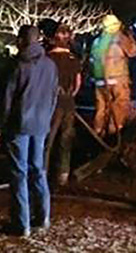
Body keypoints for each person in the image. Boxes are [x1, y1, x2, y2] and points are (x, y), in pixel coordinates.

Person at [0, 25, 58, 236]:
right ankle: (43, 217)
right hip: (41, 125)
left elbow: (6, 100)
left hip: (19, 126)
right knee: (38, 170)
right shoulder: (50, 65)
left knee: (19, 173)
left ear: (22, 40)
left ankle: (21, 223)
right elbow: (53, 96)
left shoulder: (17, 66)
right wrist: (47, 120)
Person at [44, 24, 82, 187]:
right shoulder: (74, 60)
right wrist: (70, 96)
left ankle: (42, 173)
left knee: (48, 140)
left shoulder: (47, 59)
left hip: (51, 105)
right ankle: (63, 175)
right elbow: (77, 83)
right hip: (68, 105)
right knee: (65, 140)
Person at [90, 15, 136, 136]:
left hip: (99, 82)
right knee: (120, 103)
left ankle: (98, 132)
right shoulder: (119, 38)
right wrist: (130, 36)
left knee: (101, 107)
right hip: (117, 80)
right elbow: (133, 52)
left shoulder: (97, 41)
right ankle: (115, 131)